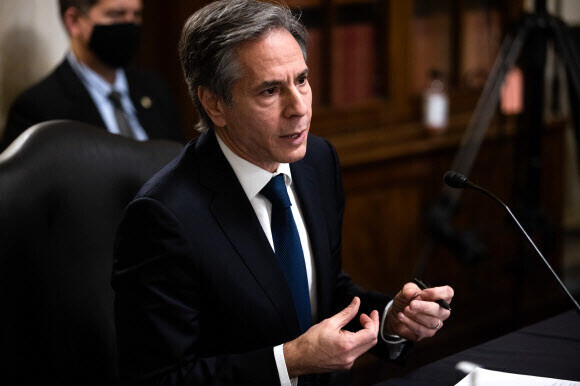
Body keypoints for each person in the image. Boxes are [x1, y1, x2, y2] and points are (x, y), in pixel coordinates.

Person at [112, 1, 454, 385]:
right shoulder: (162, 218)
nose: (299, 108)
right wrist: (288, 362)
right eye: (270, 90)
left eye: (302, 80)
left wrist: (391, 317)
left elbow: (320, 293)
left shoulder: (318, 162)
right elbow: (159, 380)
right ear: (215, 104)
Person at [0, 0, 184, 151]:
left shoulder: (155, 89)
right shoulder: (37, 109)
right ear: (73, 21)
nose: (130, 24)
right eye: (117, 14)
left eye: (136, 15)